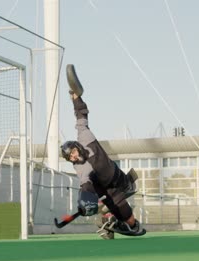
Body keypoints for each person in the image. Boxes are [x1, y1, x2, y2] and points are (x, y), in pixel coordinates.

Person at [61, 64, 146, 237]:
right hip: (107, 191)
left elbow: (81, 115)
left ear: (77, 146)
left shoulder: (84, 136)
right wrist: (85, 200)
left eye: (73, 152)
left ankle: (111, 216)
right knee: (124, 213)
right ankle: (123, 223)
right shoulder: (80, 168)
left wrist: (76, 99)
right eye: (70, 157)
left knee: (126, 187)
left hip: (117, 176)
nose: (74, 156)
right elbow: (86, 184)